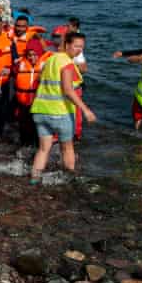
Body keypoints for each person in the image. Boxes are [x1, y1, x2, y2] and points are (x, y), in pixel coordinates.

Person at [29, 32, 97, 184]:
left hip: (40, 111)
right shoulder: (66, 64)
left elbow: (40, 80)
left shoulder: (50, 59)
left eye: (82, 47)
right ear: (66, 44)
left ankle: (34, 180)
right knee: (67, 148)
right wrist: (85, 110)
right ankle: (70, 180)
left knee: (43, 149)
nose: (79, 50)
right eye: (76, 46)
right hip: (59, 113)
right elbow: (68, 90)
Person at [13, 38, 49, 147]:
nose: (32, 57)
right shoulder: (19, 64)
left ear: (40, 53)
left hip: (40, 105)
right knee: (24, 130)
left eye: (35, 54)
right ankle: (23, 150)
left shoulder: (46, 65)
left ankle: (39, 151)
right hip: (23, 104)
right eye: (29, 55)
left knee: (39, 131)